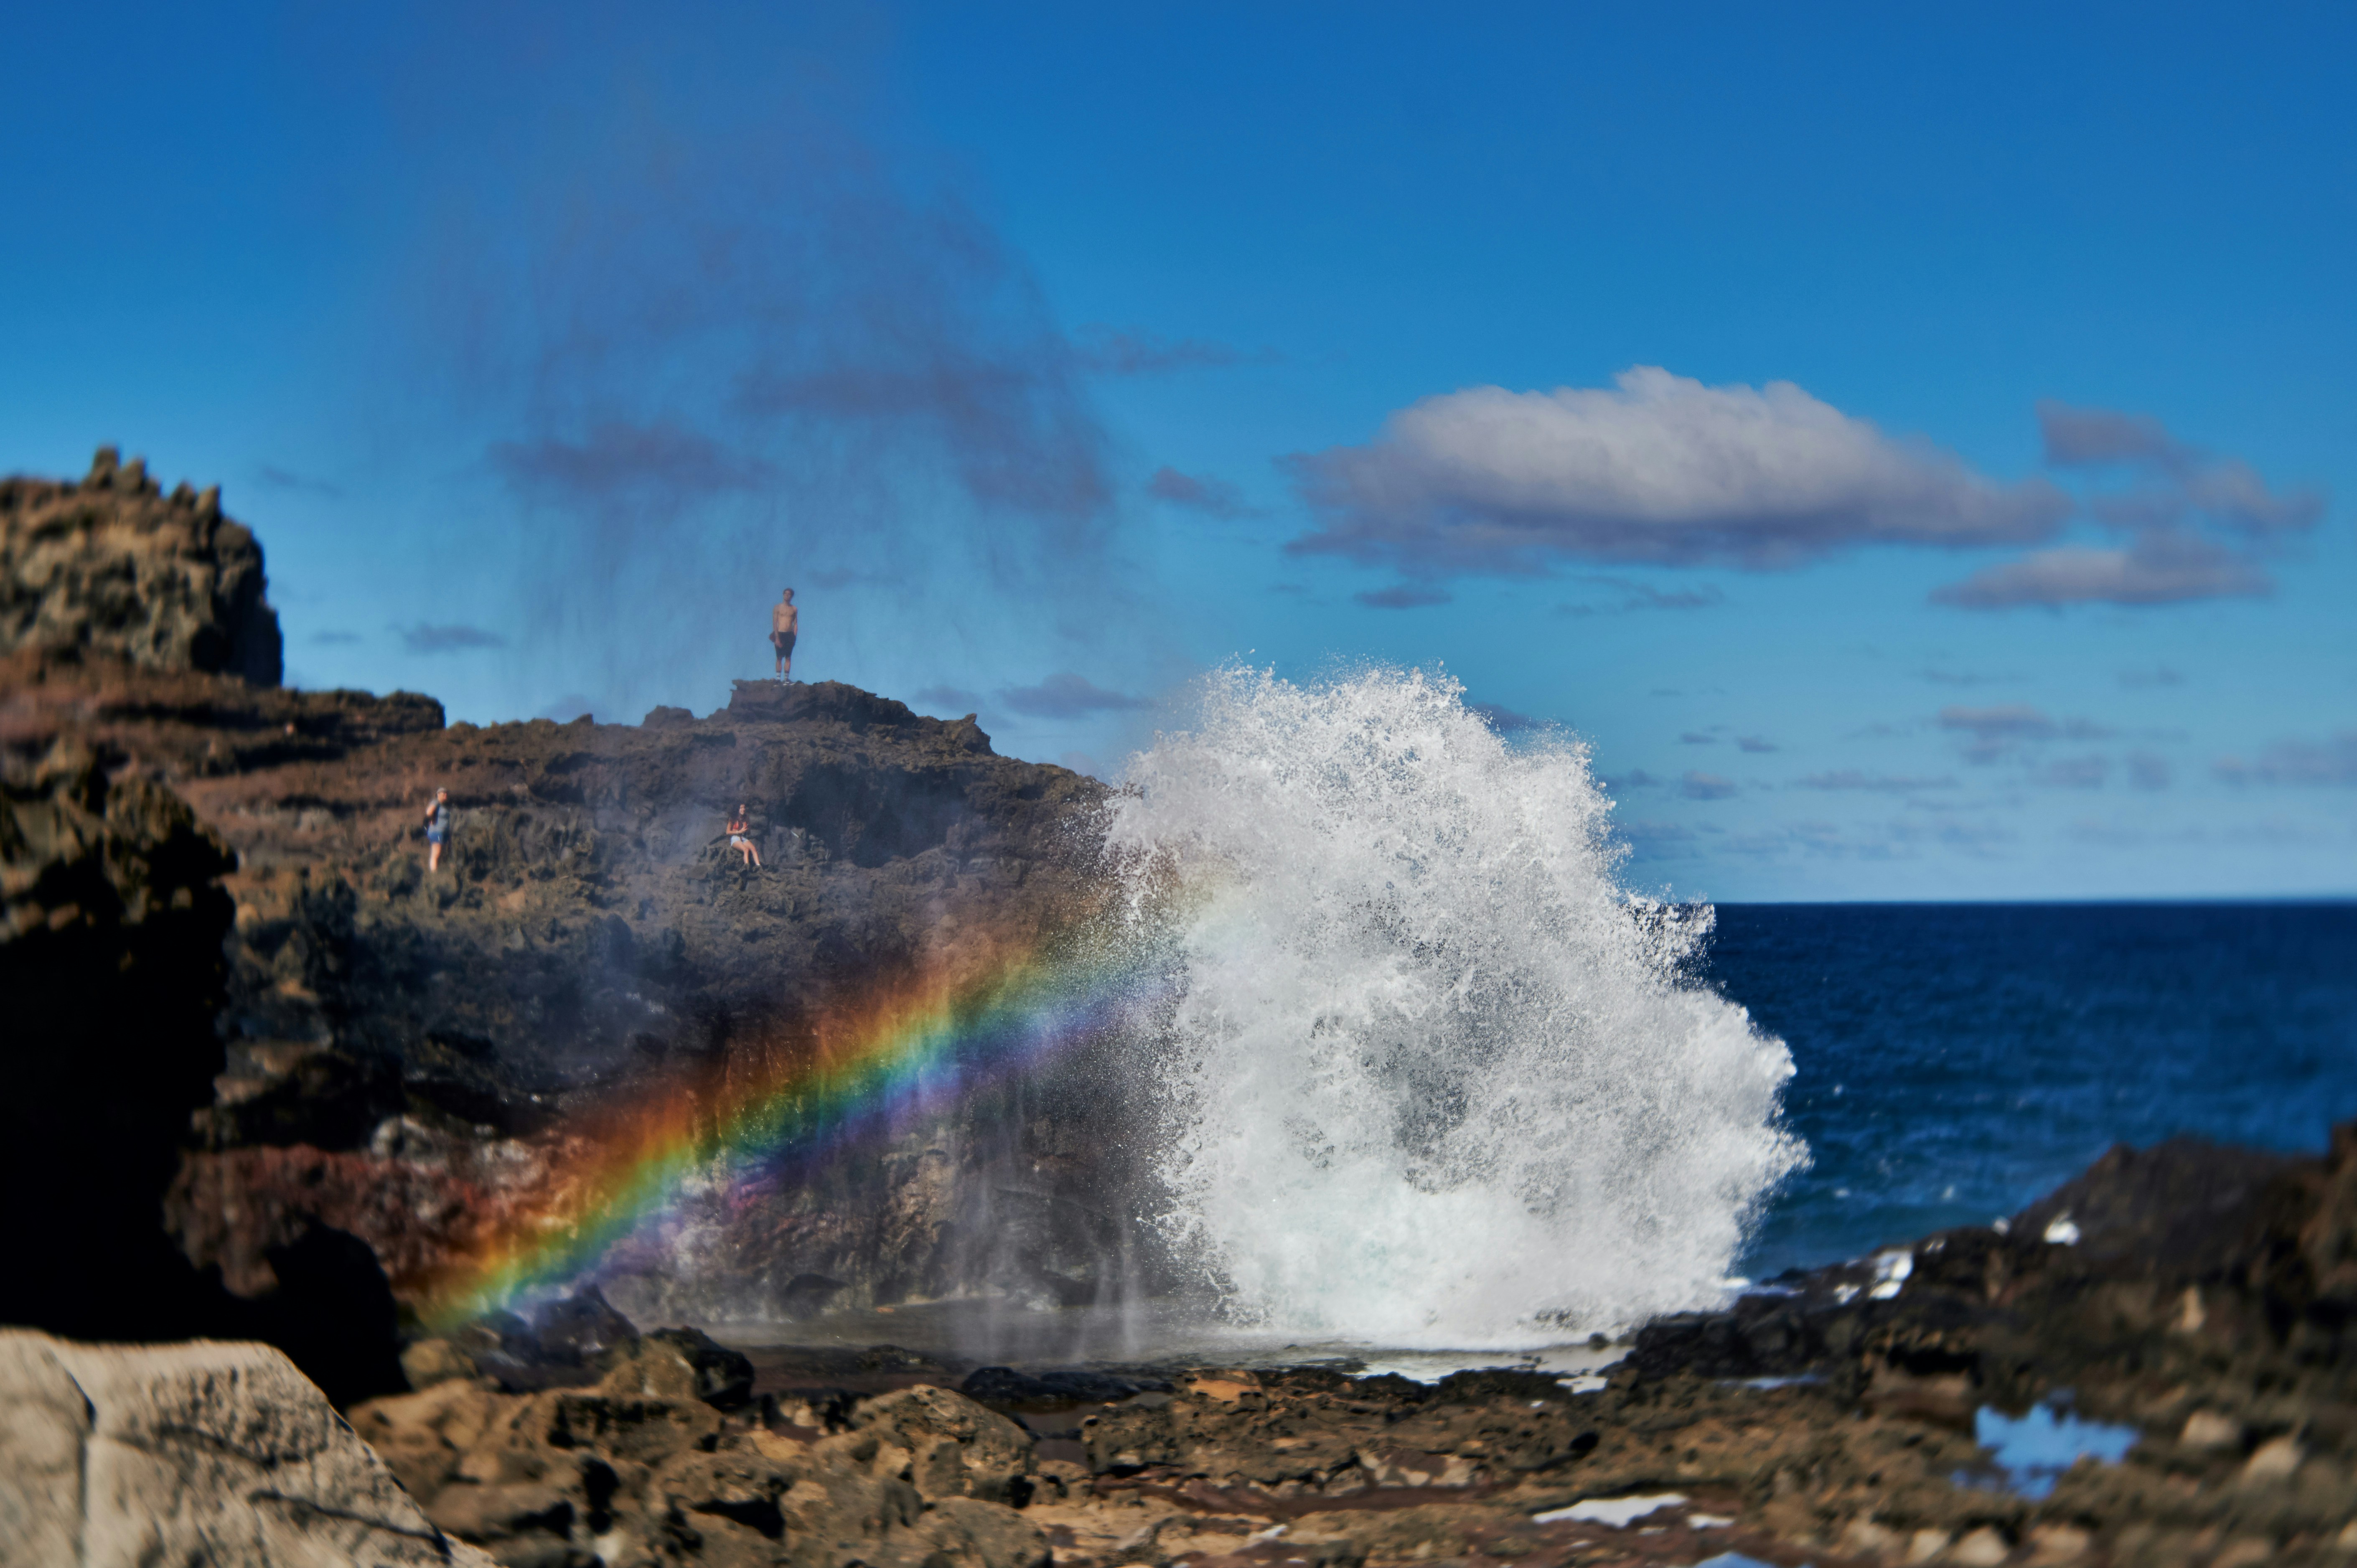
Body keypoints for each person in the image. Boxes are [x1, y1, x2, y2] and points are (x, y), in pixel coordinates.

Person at [770, 588, 798, 682]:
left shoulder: (794, 609)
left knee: (788, 657)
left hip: (790, 635)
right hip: (780, 633)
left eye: (789, 594)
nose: (787, 595)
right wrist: (777, 637)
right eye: (785, 594)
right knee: (779, 657)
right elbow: (775, 623)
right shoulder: (777, 608)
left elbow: (795, 623)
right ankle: (778, 679)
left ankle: (786, 679)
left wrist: (794, 636)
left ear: (792, 596)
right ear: (783, 595)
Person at [423, 788, 450, 873]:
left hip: (442, 832)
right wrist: (430, 820)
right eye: (443, 794)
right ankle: (434, 875)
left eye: (446, 794)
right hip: (436, 831)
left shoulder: (444, 806)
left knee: (440, 853)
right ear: (438, 795)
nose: (445, 795)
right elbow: (429, 812)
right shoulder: (436, 802)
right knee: (436, 853)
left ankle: (437, 871)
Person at [727, 803, 761, 868]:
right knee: (746, 849)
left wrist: (747, 829)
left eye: (744, 808)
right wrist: (739, 832)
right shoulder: (733, 819)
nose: (743, 810)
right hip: (735, 838)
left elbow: (748, 833)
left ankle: (759, 866)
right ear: (738, 809)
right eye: (741, 808)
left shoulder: (745, 818)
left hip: (743, 838)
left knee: (753, 849)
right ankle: (747, 866)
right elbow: (728, 832)